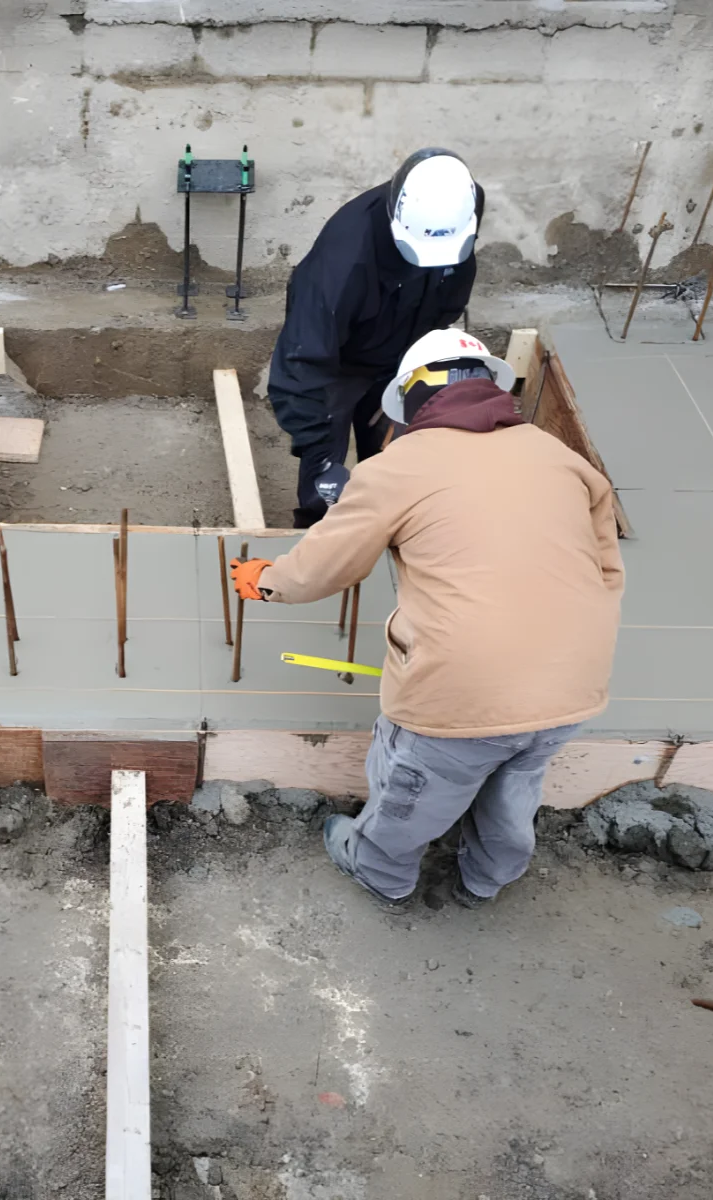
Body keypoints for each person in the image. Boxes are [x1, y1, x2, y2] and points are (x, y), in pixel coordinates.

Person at [229, 330, 625, 908]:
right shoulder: (560, 457)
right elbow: (608, 571)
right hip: (576, 685)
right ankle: (487, 878)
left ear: (413, 397)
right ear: (492, 386)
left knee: (414, 792)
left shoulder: (403, 465)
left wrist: (265, 581)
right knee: (515, 785)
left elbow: (323, 568)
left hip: (461, 691)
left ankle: (379, 869)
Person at [268, 149, 484, 528]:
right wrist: (321, 457)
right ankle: (317, 537)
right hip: (337, 366)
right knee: (326, 492)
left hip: (402, 354)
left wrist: (411, 369)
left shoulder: (459, 207)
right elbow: (301, 365)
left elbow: (449, 293)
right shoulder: (342, 264)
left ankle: (388, 530)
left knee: (396, 473)